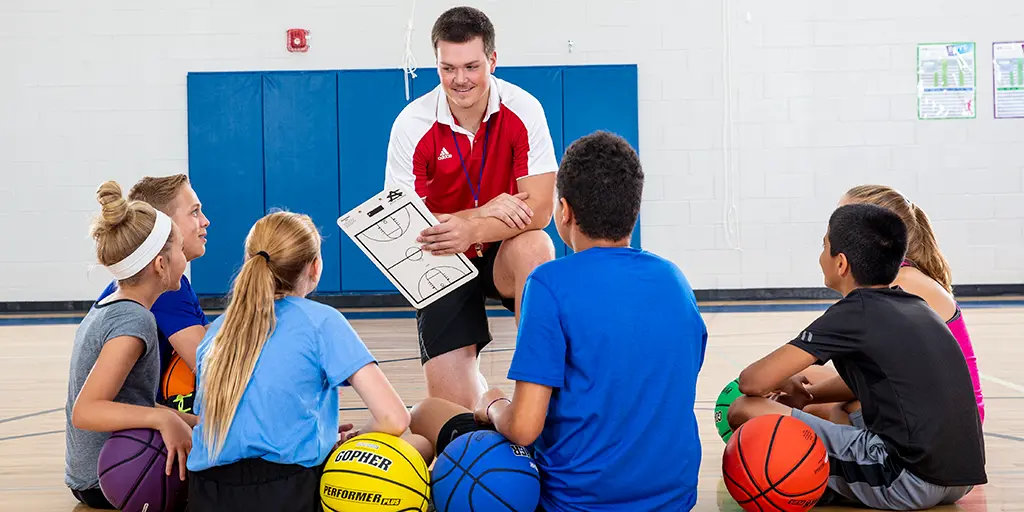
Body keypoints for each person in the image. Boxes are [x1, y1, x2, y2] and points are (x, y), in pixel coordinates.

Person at [410, 132, 707, 511]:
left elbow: (523, 428)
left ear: (564, 211)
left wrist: (494, 404)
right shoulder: (674, 279)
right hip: (675, 497)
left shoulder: (550, 283)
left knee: (426, 412)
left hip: (575, 501)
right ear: (634, 208)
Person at [727, 203, 987, 510]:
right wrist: (806, 394)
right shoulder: (917, 306)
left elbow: (752, 382)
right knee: (841, 402)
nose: (820, 255)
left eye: (824, 246)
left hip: (907, 479)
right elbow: (876, 384)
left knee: (744, 409)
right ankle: (844, 476)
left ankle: (801, 480)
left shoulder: (854, 312)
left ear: (841, 264)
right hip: (960, 478)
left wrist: (789, 385)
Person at [185, 211, 432, 512]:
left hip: (205, 492)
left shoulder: (218, 331)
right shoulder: (321, 321)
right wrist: (345, 444)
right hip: (287, 492)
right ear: (315, 268)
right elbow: (394, 419)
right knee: (420, 444)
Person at [384, 5, 559, 410]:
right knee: (457, 410)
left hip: (503, 246)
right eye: (448, 68)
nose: (459, 79)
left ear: (492, 61)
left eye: (471, 66)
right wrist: (481, 213)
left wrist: (476, 229)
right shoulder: (412, 124)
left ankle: (539, 388)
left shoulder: (524, 110)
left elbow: (542, 210)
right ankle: (491, 402)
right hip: (440, 254)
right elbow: (407, 229)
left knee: (537, 247)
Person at [65, 181, 195, 509]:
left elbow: (132, 402)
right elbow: (87, 410)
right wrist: (166, 420)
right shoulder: (133, 321)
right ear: (160, 265)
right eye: (179, 250)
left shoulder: (113, 306)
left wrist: (195, 423)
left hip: (99, 471)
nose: (184, 257)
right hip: (110, 477)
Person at [97, 174, 211, 414]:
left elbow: (208, 336)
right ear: (165, 225)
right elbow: (212, 366)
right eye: (194, 212)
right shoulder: (162, 290)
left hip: (140, 425)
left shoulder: (172, 284)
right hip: (124, 442)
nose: (205, 221)